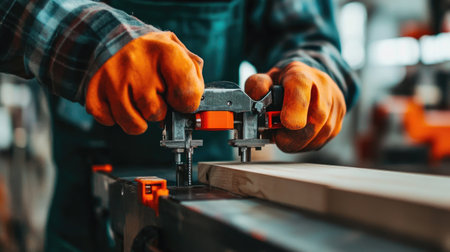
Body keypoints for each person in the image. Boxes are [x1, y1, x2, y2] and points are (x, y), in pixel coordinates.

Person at [0, 0, 358, 251]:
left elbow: (308, 35)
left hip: (217, 184)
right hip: (85, 197)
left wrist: (314, 74)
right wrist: (93, 39)